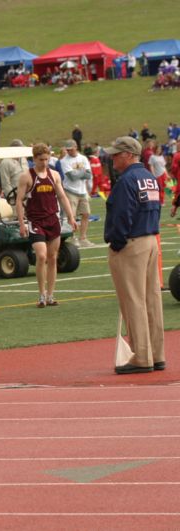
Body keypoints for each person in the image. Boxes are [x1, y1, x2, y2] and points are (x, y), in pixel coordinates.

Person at [105, 137, 164, 374]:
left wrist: (117, 243)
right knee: (152, 300)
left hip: (131, 244)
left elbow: (122, 216)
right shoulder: (149, 178)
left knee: (134, 301)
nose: (113, 158)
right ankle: (156, 354)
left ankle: (141, 355)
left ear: (128, 155)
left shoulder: (126, 181)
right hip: (150, 240)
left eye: (116, 154)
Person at [16, 143, 77, 308]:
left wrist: (71, 217)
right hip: (36, 221)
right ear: (34, 158)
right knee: (41, 256)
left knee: (52, 257)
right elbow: (19, 201)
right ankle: (41, 294)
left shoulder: (54, 175)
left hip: (53, 219)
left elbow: (62, 196)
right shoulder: (26, 176)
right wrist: (22, 223)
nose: (44, 162)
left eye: (46, 159)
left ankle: (50, 295)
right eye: (41, 159)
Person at [60, 140, 93, 246]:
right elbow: (71, 177)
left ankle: (83, 238)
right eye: (67, 150)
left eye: (71, 149)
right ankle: (73, 238)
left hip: (82, 190)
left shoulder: (83, 158)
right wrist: (82, 172)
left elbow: (88, 175)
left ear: (76, 147)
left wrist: (78, 173)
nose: (69, 151)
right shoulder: (64, 161)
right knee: (71, 215)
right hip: (70, 190)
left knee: (86, 213)